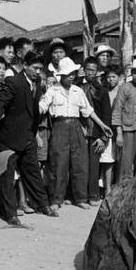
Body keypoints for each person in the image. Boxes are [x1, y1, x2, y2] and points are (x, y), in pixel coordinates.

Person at [0, 51, 59, 225]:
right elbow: (1, 105)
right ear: (25, 65)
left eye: (40, 68)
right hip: (9, 137)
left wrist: (35, 132)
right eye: (34, 68)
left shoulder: (37, 84)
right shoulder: (13, 82)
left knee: (33, 173)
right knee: (7, 178)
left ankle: (42, 205)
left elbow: (34, 111)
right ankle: (9, 213)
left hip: (28, 136)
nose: (38, 71)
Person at [39, 58, 111, 209]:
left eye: (72, 73)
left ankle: (81, 198)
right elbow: (41, 108)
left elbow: (88, 110)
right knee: (59, 164)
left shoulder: (77, 91)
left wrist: (103, 125)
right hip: (59, 128)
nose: (71, 76)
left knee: (80, 164)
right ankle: (56, 200)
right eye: (67, 74)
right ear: (61, 76)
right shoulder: (52, 91)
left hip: (76, 127)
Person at [113, 58, 136, 180]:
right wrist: (119, 133)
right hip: (127, 130)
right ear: (131, 73)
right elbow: (117, 110)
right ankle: (123, 190)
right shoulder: (125, 88)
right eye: (135, 73)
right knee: (126, 162)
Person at [82, 57, 111, 206]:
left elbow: (107, 115)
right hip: (79, 132)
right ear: (83, 69)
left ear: (97, 72)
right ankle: (78, 196)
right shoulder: (77, 88)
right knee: (79, 165)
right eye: (87, 69)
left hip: (96, 133)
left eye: (93, 70)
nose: (89, 73)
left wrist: (104, 138)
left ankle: (93, 196)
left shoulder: (102, 90)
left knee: (93, 167)